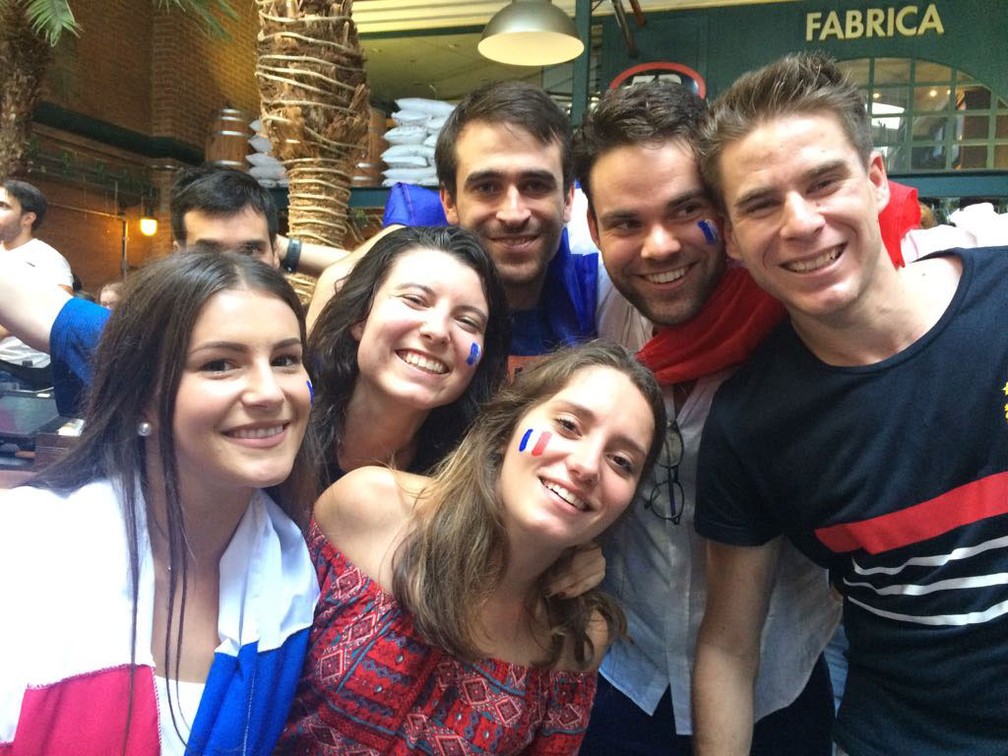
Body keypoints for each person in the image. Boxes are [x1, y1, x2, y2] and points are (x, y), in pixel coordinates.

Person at [691, 52, 1008, 755]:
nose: (801, 222)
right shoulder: (749, 425)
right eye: (761, 204)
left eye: (823, 182)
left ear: (876, 180)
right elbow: (729, 646)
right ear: (733, 240)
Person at [570, 80, 839, 755]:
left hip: (780, 676)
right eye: (627, 223)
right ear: (594, 229)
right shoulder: (596, 311)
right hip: (624, 672)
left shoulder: (803, 316)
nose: (659, 247)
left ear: (724, 206)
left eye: (687, 210)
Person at [0, 252, 321, 753]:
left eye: (284, 359)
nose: (269, 392)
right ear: (141, 399)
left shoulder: (296, 577)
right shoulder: (27, 544)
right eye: (219, 364)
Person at [278, 341, 667, 753]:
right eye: (569, 426)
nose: (587, 466)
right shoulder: (367, 508)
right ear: (505, 432)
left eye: (621, 461)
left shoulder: (576, 636)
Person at [309, 81, 643, 372]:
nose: (513, 214)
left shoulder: (599, 289)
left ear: (569, 199)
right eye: (487, 187)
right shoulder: (403, 325)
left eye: (535, 185)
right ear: (449, 202)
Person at [0, 166, 348, 415]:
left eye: (250, 250)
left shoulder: (308, 342)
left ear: (274, 255)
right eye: (209, 252)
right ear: (179, 254)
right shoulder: (136, 342)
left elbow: (375, 268)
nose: (232, 269)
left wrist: (290, 250)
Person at [307, 225, 510, 487]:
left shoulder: (473, 480)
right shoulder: (287, 418)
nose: (437, 331)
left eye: (467, 321)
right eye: (415, 300)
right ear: (360, 317)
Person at [0, 179, 73, 391]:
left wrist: (6, 327)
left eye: (4, 206)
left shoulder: (47, 259)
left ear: (28, 218)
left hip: (22, 369)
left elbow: (59, 312)